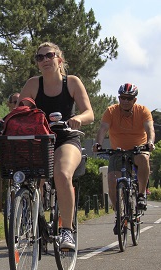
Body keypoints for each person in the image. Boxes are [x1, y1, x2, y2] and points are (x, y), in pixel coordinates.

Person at [17, 42, 94, 250]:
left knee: (61, 173)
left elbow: (89, 113)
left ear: (59, 59)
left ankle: (66, 230)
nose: (44, 60)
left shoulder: (72, 82)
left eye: (49, 55)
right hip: (41, 140)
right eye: (39, 57)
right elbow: (19, 112)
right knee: (29, 178)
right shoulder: (33, 84)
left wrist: (77, 118)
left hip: (66, 138)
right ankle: (35, 220)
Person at [92, 83, 155, 234]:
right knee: (112, 181)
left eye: (129, 98)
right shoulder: (111, 111)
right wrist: (97, 144)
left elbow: (149, 128)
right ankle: (119, 215)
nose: (125, 101)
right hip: (118, 151)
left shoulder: (143, 111)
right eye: (122, 98)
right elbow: (103, 129)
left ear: (134, 99)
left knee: (143, 159)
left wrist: (150, 142)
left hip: (138, 148)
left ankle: (140, 194)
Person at [0, 93, 20, 159]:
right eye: (16, 102)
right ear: (8, 104)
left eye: (21, 102)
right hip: (12, 159)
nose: (19, 105)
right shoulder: (5, 121)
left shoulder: (30, 117)